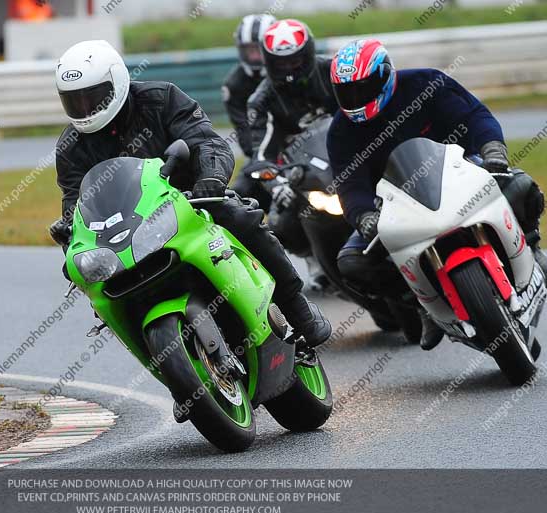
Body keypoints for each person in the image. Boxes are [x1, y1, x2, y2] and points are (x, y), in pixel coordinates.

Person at [48, 40, 331, 359]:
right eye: (75, 101)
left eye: (93, 97)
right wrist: (71, 232)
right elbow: (76, 200)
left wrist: (209, 178)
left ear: (117, 81)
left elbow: (205, 140)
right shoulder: (72, 146)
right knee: (101, 293)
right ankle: (175, 377)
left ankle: (296, 305)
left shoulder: (160, 99)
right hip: (126, 234)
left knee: (240, 216)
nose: (85, 108)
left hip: (191, 204)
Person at [326, 38, 547, 351]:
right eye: (347, 91)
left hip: (460, 171)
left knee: (520, 184)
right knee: (351, 262)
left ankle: (534, 249)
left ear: (386, 74)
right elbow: (349, 184)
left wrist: (492, 148)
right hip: (393, 205)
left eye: (364, 87)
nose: (356, 98)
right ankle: (421, 303)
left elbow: (474, 116)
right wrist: (363, 215)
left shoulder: (426, 83)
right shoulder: (341, 130)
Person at [245, 19, 340, 291]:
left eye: (295, 60)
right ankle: (312, 256)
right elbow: (259, 155)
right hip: (304, 172)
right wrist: (275, 185)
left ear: (307, 54)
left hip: (349, 153)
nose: (288, 68)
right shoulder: (260, 101)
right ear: (268, 61)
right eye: (281, 62)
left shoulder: (332, 70)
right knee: (279, 223)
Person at [221, 13, 275, 210]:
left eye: (258, 49)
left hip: (302, 147)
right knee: (232, 199)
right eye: (248, 50)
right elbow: (246, 138)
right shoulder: (233, 86)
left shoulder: (290, 73)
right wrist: (266, 160)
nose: (254, 56)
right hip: (262, 153)